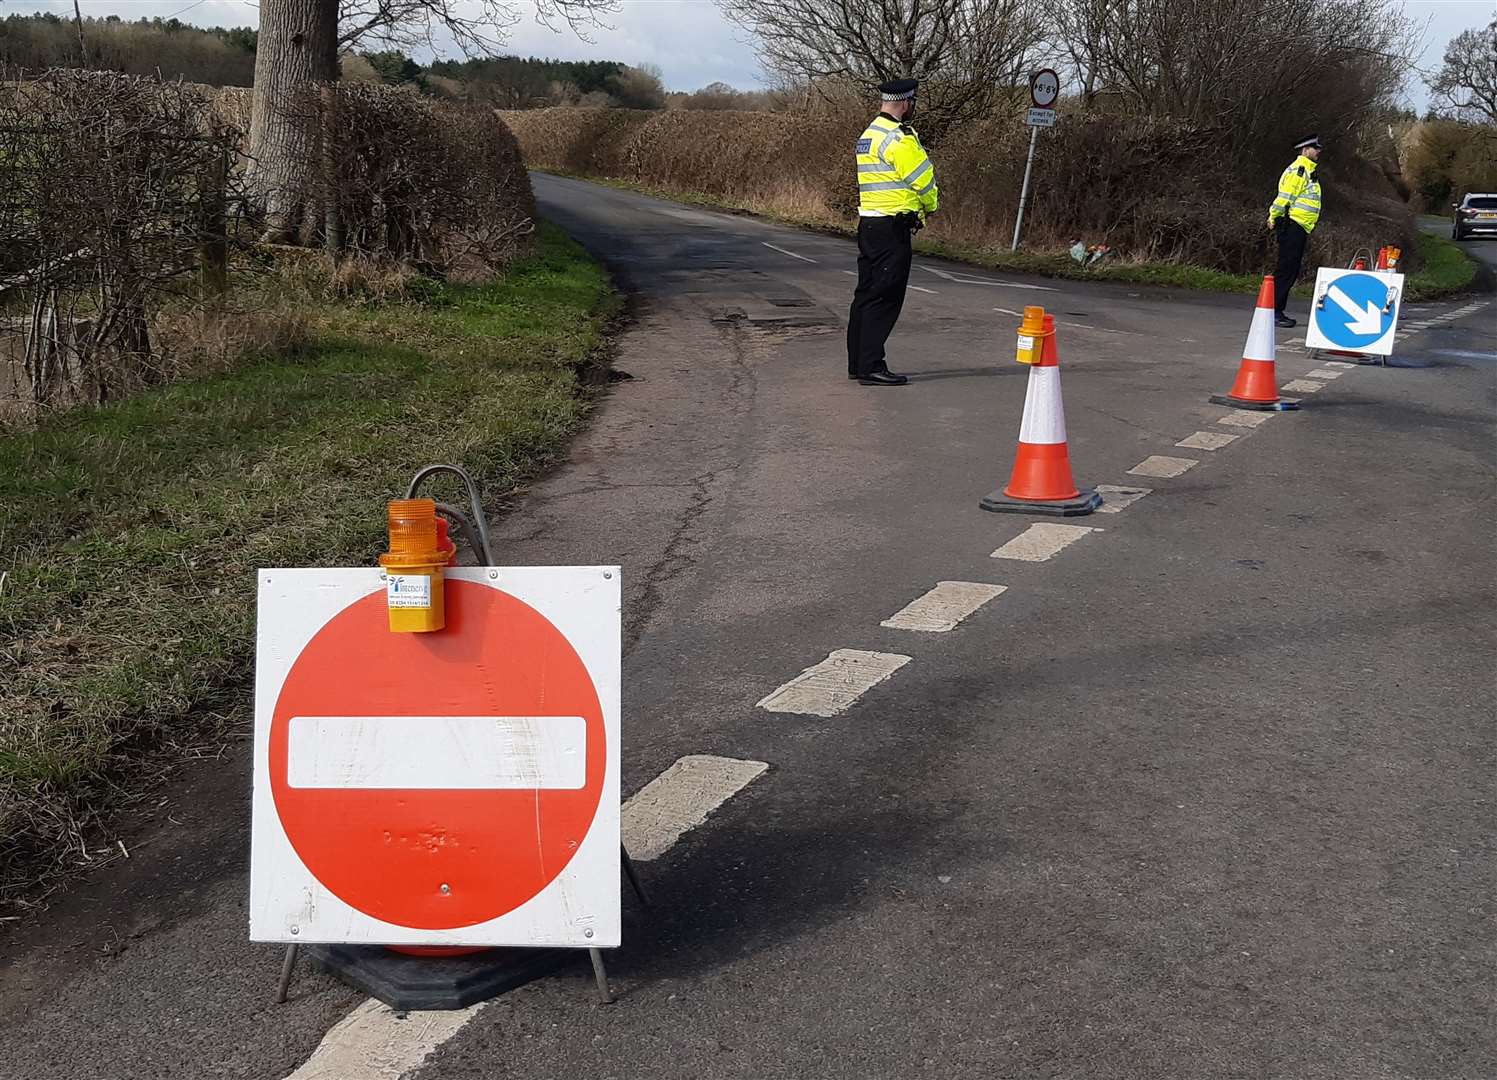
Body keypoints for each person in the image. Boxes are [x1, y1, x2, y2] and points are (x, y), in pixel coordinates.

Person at [846, 78, 940, 386]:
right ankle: (872, 365)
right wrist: (930, 207)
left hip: (869, 223)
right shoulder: (899, 139)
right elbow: (923, 182)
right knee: (885, 297)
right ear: (906, 102)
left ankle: (858, 363)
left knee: (865, 294)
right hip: (892, 227)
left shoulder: (868, 136)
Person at [1267, 135, 1323, 328]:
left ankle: (1274, 309)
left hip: (1299, 227)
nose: (1318, 152)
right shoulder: (1299, 171)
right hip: (1292, 225)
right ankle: (1274, 311)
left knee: (1290, 269)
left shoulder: (1308, 171)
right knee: (1286, 270)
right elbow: (1285, 197)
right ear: (1305, 150)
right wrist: (1273, 216)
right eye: (1315, 148)